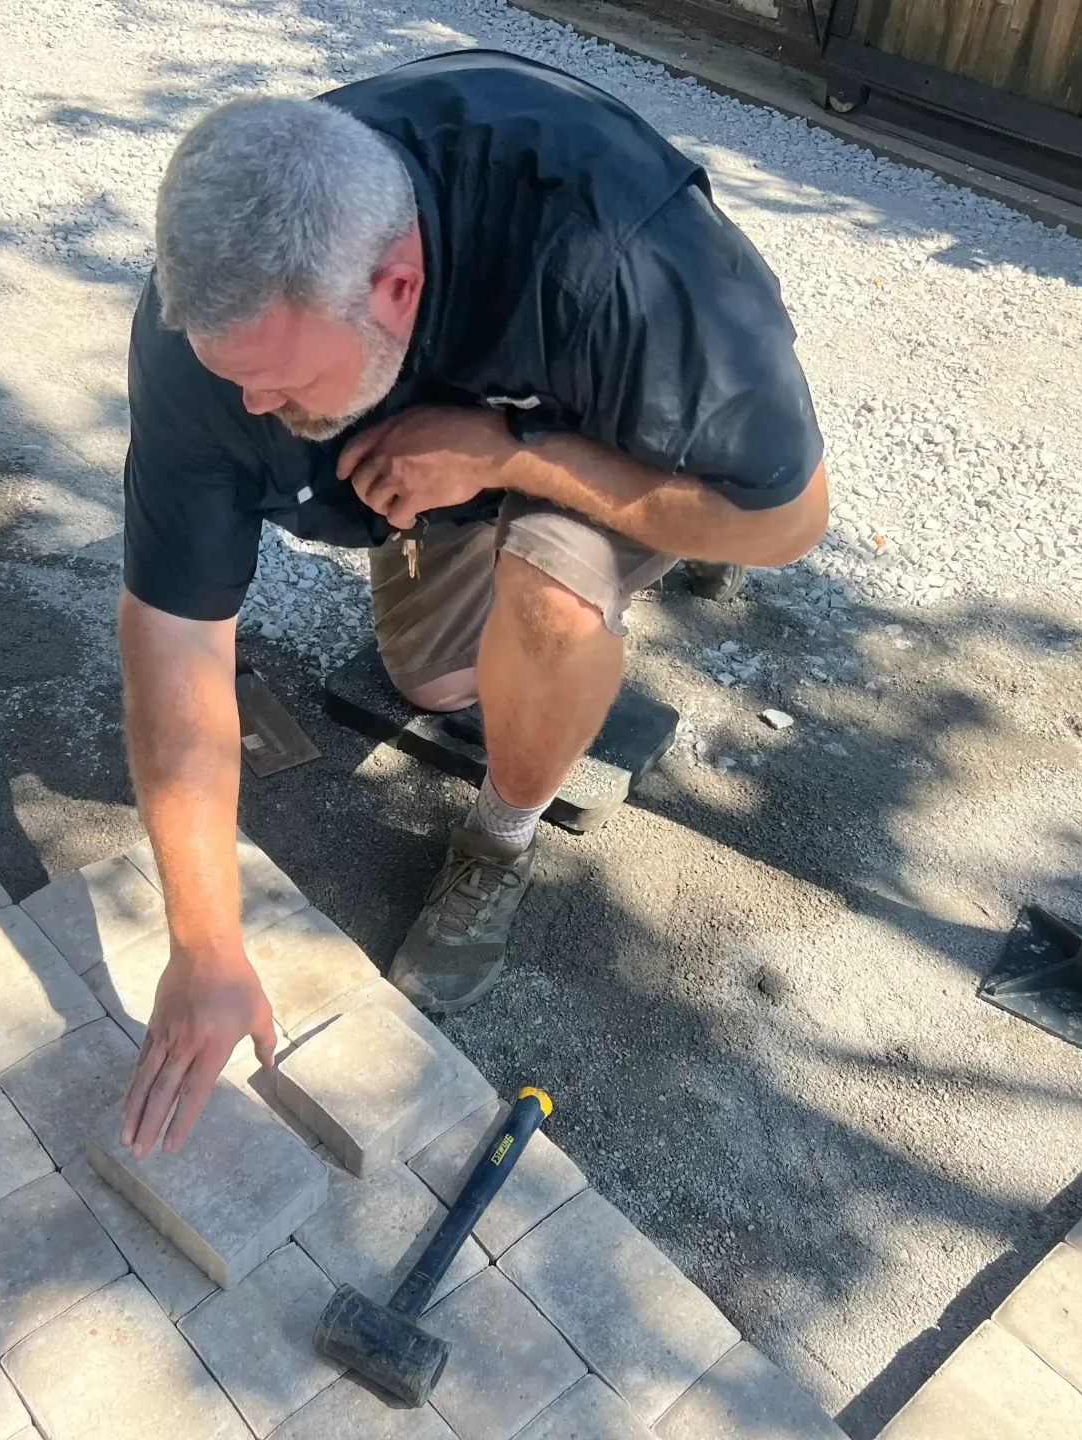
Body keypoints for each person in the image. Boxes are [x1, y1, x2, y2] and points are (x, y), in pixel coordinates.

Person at [118, 50, 829, 1157]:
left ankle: (500, 840)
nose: (248, 405)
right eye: (233, 375)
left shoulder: (618, 263)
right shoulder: (203, 344)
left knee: (548, 607)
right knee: (436, 682)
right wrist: (205, 942)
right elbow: (174, 642)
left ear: (394, 290)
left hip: (591, 412)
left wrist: (509, 454)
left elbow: (790, 521)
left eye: (281, 382)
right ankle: (527, 520)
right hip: (449, 435)